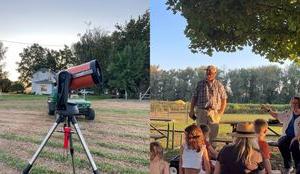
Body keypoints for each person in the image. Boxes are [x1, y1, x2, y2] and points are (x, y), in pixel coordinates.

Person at [189, 65, 227, 145]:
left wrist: (220, 113)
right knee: (200, 133)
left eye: (210, 72)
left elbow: (224, 99)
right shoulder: (200, 84)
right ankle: (200, 152)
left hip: (214, 112)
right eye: (207, 71)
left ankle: (211, 153)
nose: (208, 73)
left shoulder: (219, 85)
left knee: (213, 135)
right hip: (201, 111)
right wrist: (191, 110)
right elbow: (194, 97)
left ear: (215, 73)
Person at [262, 96, 300, 174]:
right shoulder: (288, 112)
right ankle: (288, 167)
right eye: (292, 103)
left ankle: (298, 168)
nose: (293, 105)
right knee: (281, 143)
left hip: (298, 138)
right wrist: (268, 110)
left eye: (296, 103)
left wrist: (296, 137)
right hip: (286, 136)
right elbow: (277, 115)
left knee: (295, 145)